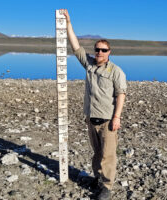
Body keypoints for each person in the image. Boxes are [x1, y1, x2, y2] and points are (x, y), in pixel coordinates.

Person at [62, 9, 127, 200]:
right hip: (92, 119)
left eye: (103, 50)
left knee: (108, 155)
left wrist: (117, 117)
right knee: (97, 153)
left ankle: (106, 186)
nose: (99, 52)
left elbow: (121, 94)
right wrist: (68, 24)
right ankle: (97, 180)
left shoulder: (116, 71)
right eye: (97, 49)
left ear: (109, 52)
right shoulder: (89, 65)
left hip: (108, 121)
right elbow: (76, 47)